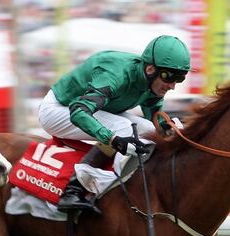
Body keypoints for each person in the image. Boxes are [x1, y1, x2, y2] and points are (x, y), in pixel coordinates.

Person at [37, 35, 191, 214]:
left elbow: (154, 114)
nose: (172, 85)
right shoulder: (115, 76)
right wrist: (112, 139)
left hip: (96, 110)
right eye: (168, 77)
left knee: (147, 130)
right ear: (150, 69)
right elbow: (79, 111)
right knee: (123, 127)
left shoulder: (154, 83)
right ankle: (74, 189)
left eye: (179, 79)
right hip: (59, 109)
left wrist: (169, 128)